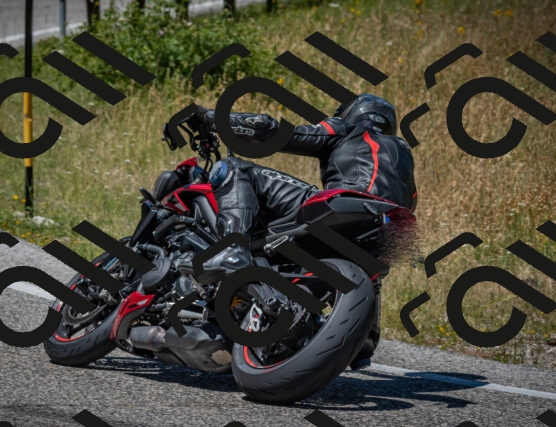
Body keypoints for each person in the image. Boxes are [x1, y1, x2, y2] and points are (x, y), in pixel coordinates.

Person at [179, 94, 418, 368]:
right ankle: (366, 336)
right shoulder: (405, 164)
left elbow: (271, 131)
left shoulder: (349, 129)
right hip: (387, 231)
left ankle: (233, 249)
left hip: (343, 203)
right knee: (374, 265)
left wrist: (210, 118)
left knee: (233, 168)